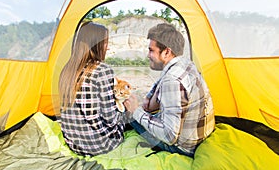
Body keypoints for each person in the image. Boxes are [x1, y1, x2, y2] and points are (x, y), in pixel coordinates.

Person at [124, 23, 215, 157]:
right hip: (197, 136)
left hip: (183, 148)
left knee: (129, 116)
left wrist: (136, 111)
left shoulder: (172, 80)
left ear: (166, 51)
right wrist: (148, 101)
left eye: (151, 50)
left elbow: (169, 136)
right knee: (141, 113)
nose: (148, 55)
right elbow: (155, 94)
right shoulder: (185, 64)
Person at [59, 21, 126, 156]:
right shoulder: (103, 70)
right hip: (98, 145)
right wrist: (124, 110)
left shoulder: (67, 69)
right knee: (127, 115)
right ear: (97, 45)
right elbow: (110, 119)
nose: (107, 48)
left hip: (73, 142)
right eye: (105, 43)